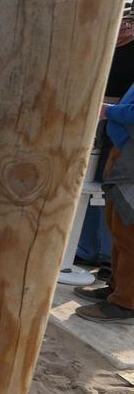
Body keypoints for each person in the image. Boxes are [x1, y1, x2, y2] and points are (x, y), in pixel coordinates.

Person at [74, 82, 134, 324]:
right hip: (123, 156)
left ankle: (125, 303)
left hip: (130, 160)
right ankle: (116, 289)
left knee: (129, 234)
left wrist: (108, 110)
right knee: (118, 230)